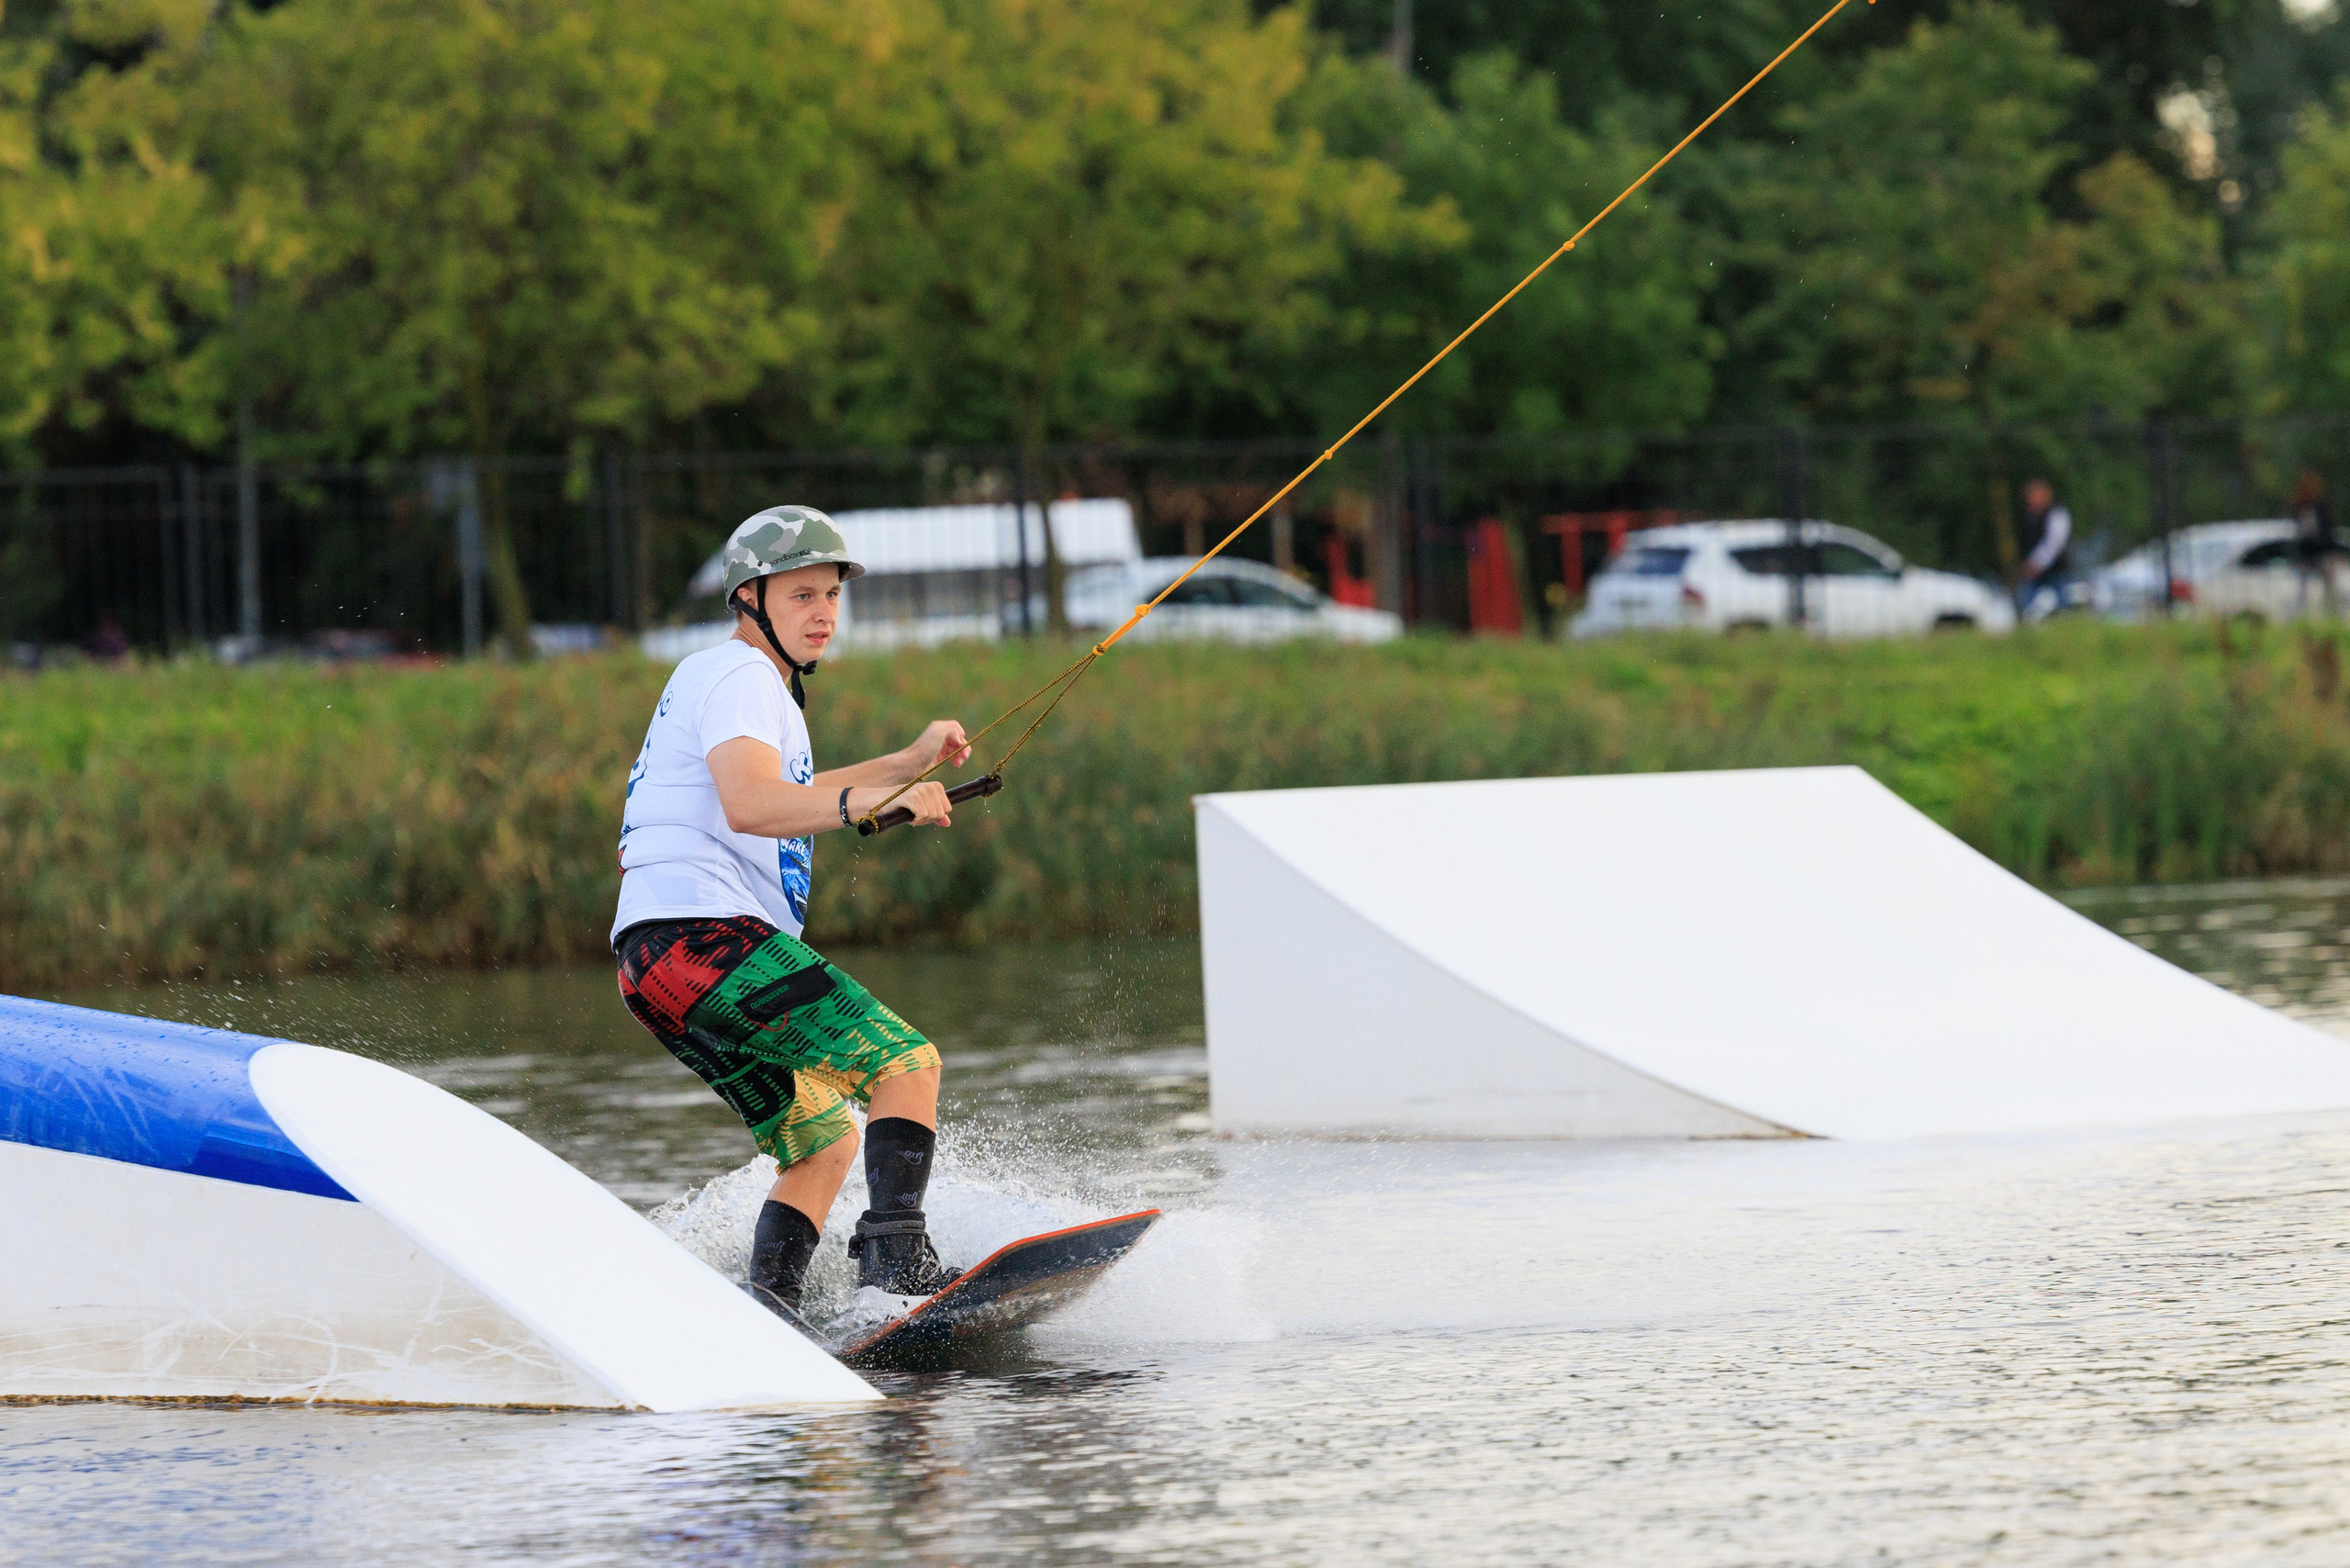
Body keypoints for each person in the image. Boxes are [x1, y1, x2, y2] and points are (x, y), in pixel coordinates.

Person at [610, 505, 972, 1320]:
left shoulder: (730, 686)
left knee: (825, 1140)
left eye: (833, 596)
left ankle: (769, 1313)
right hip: (707, 942)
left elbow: (793, 791)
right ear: (751, 600)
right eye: (802, 594)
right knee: (905, 1064)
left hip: (654, 970)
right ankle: (896, 1267)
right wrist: (874, 808)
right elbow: (750, 805)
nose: (823, 613)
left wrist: (907, 765)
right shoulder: (740, 677)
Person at [2015, 479, 2074, 622]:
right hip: (2032, 570)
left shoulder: (2057, 514)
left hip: (2055, 570)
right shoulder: (2027, 516)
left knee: (2063, 608)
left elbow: (2054, 544)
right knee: (2025, 608)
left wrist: (2035, 564)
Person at [2291, 470, 2341, 618]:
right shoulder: (2300, 506)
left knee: (2329, 589)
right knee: (2303, 589)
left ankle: (2332, 616)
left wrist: (2331, 551)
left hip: (2323, 552)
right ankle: (2302, 617)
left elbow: (2329, 530)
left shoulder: (2320, 505)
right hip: (2307, 553)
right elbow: (2300, 533)